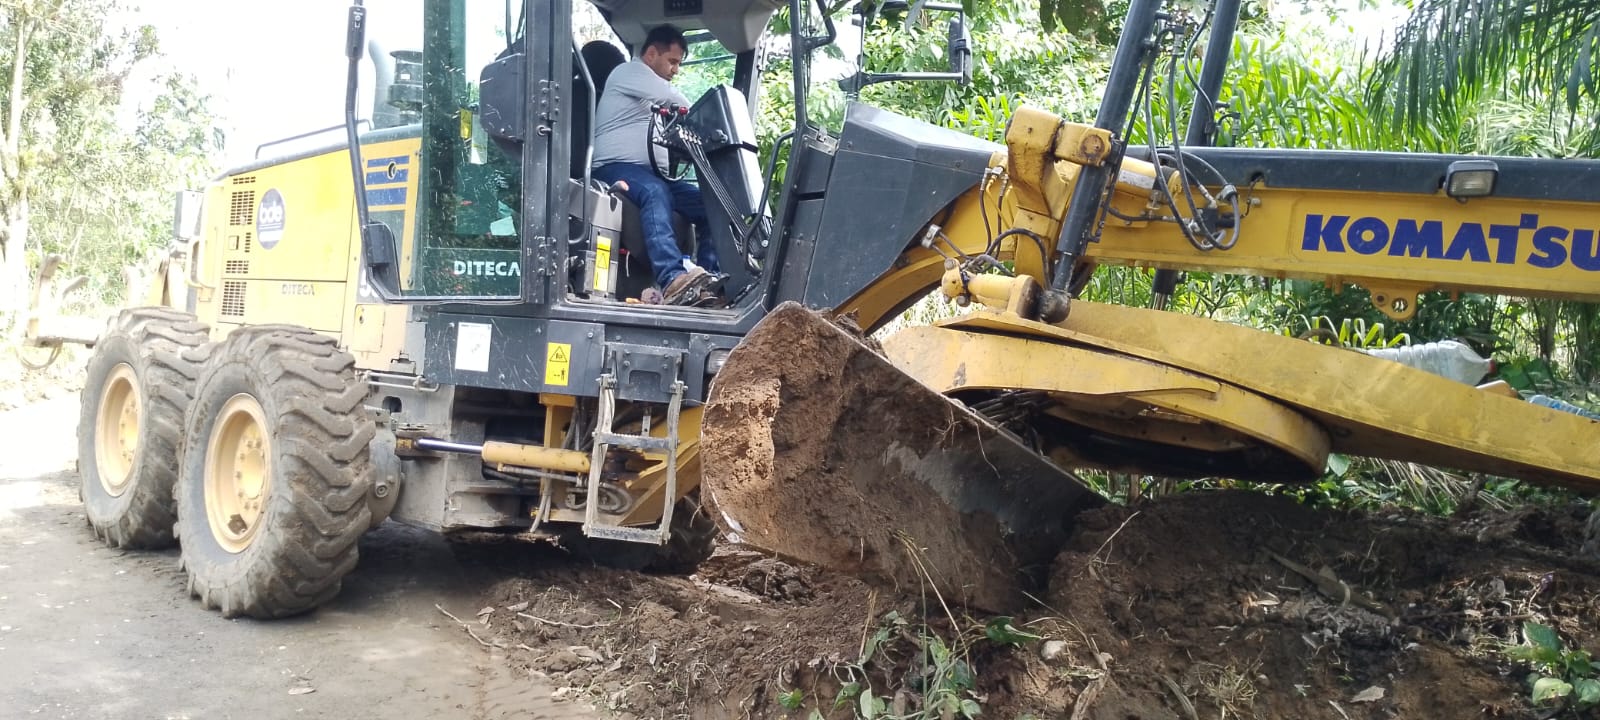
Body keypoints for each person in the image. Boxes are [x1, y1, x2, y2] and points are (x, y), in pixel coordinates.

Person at [590, 25, 721, 305]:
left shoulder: (647, 95)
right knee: (654, 191)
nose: (676, 70)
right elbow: (680, 104)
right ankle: (672, 278)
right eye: (672, 61)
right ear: (651, 54)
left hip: (649, 173)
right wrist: (713, 119)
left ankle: (709, 280)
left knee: (712, 205)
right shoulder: (629, 72)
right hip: (612, 168)